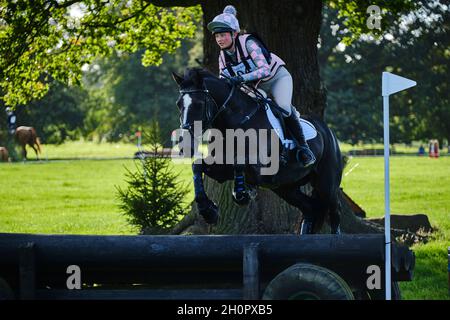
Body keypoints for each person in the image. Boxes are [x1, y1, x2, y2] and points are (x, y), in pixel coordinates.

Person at [207, 5, 316, 168]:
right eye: (217, 36)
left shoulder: (248, 43)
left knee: (283, 107)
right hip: (255, 86)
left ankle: (304, 148)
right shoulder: (222, 57)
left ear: (234, 33)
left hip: (276, 77)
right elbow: (223, 80)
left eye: (223, 35)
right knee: (248, 110)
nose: (219, 39)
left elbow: (264, 69)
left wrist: (239, 78)